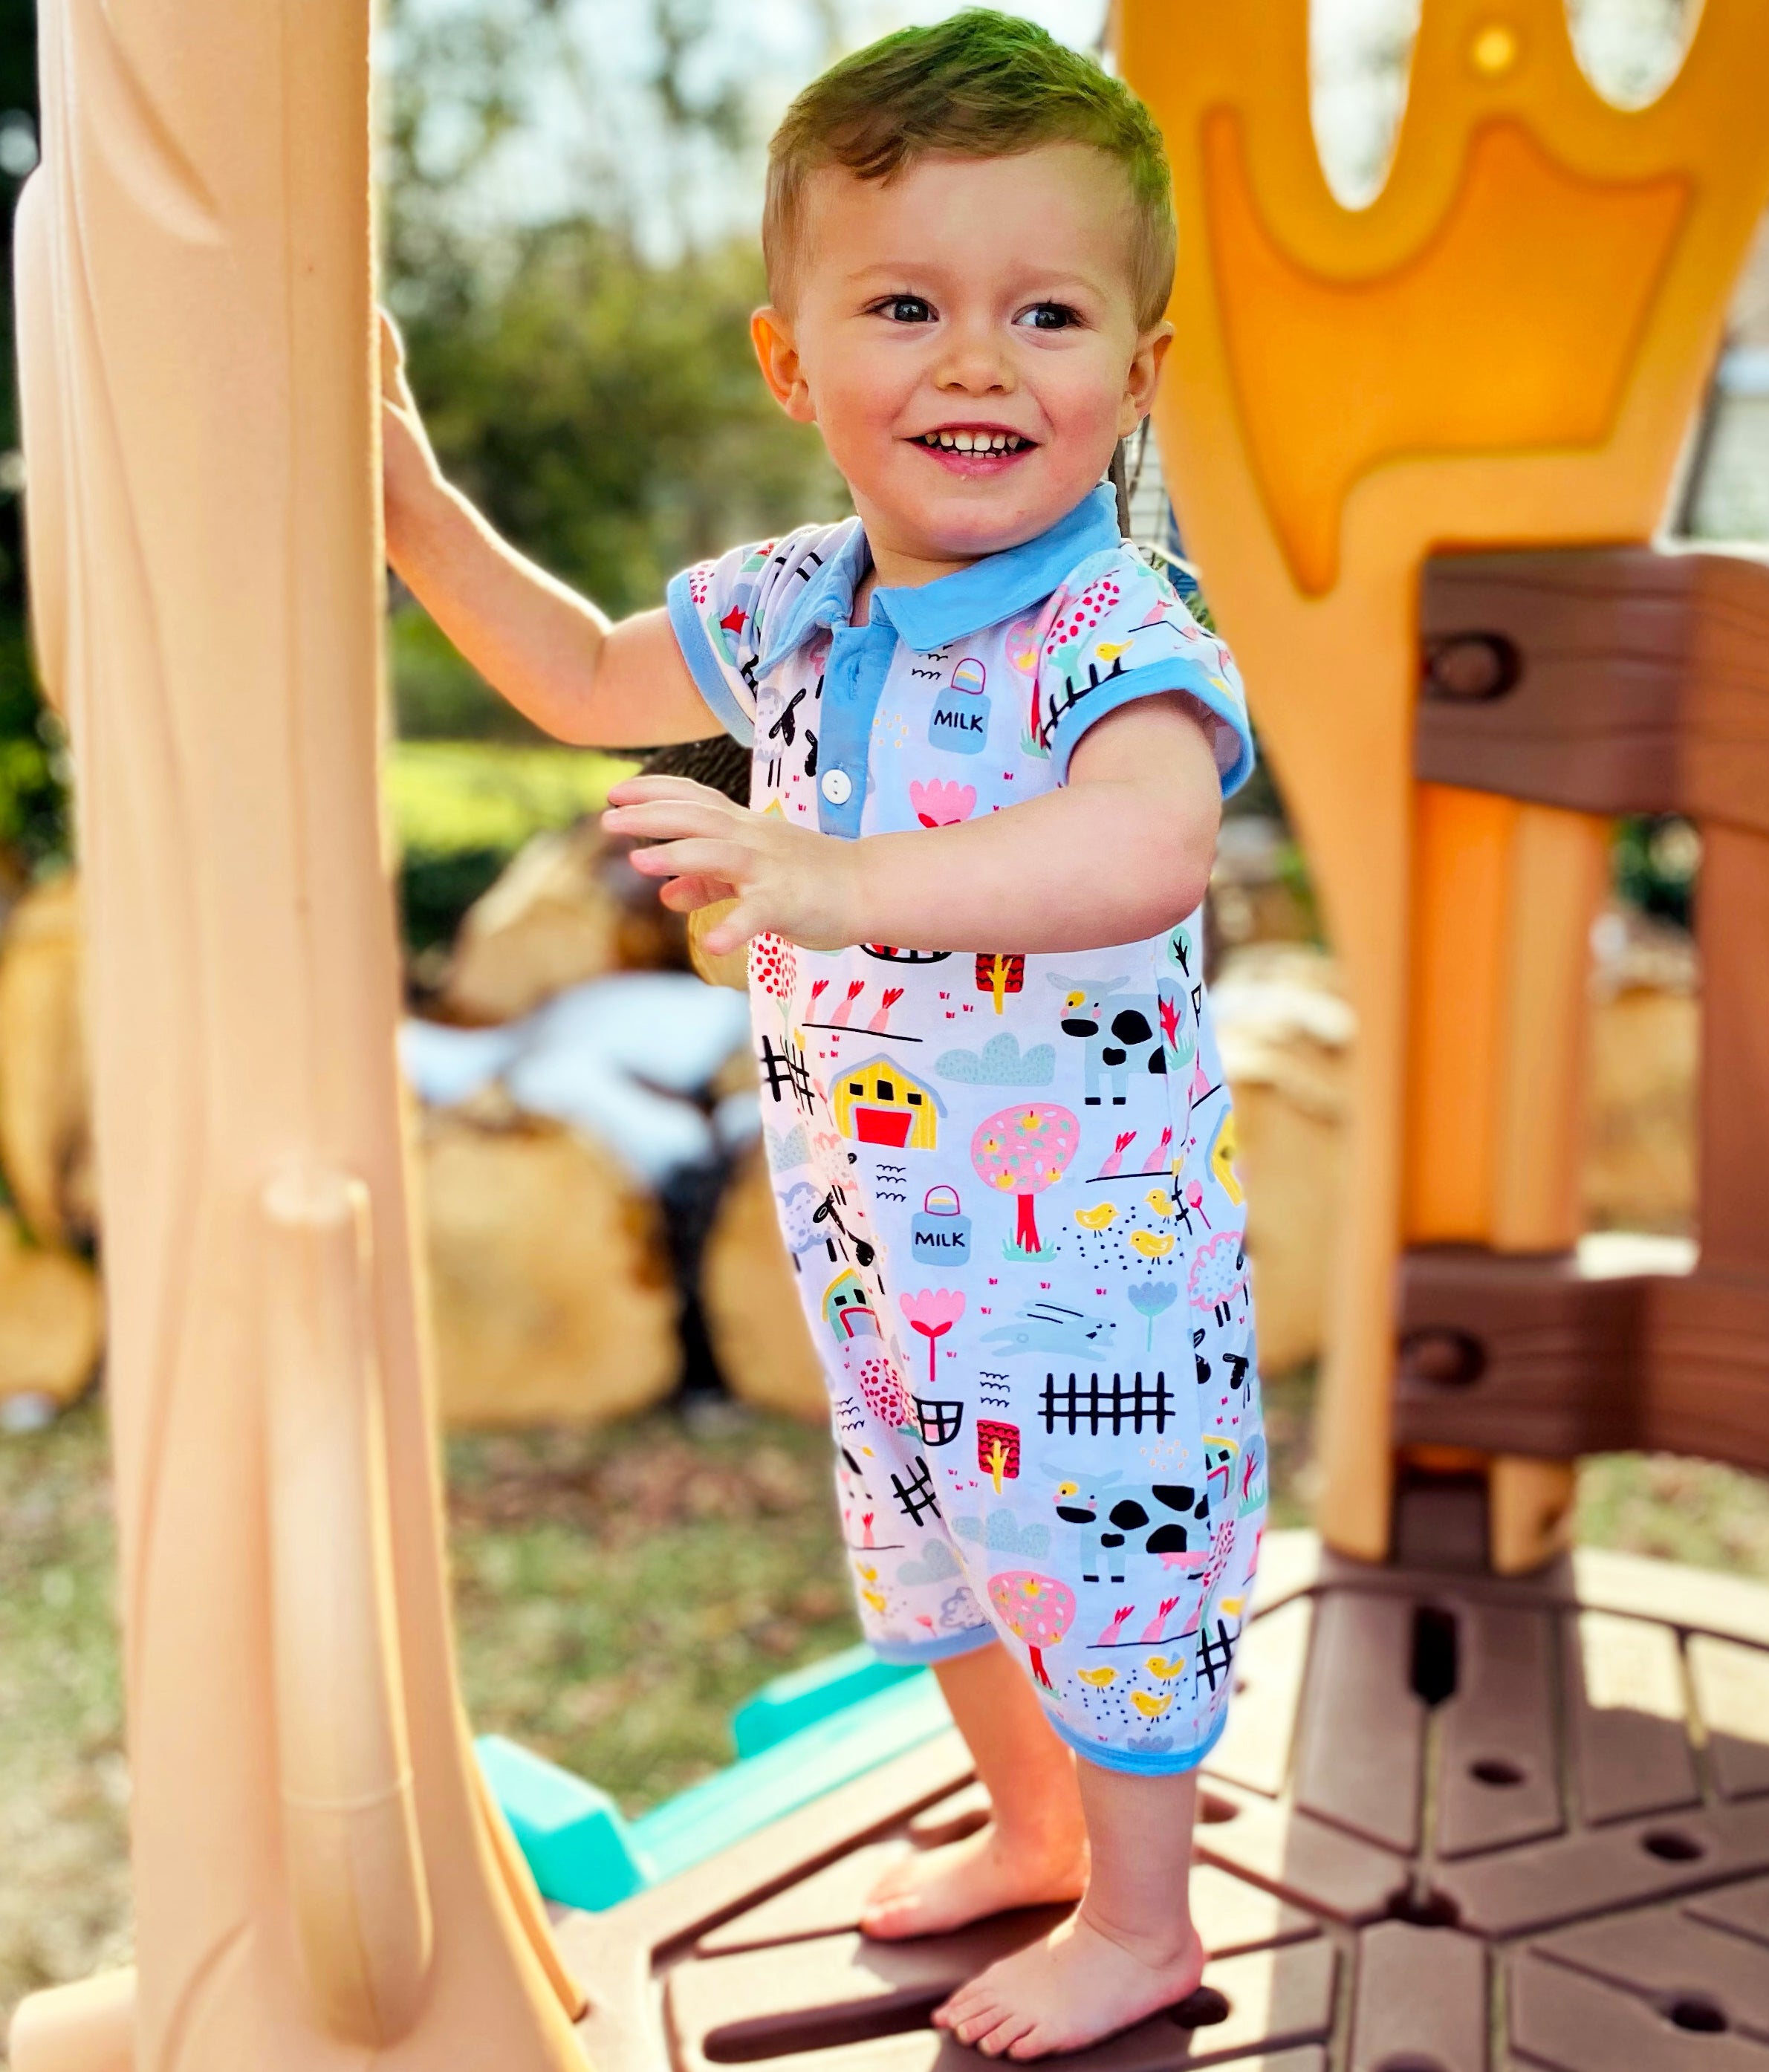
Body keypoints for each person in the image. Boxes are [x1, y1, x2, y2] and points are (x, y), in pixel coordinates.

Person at [379, 10, 1266, 2056]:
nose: (976, 360)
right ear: (794, 362)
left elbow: (1140, 849)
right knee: (936, 1564)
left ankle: (1144, 1916)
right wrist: (414, 501)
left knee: (1108, 1582)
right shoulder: (795, 602)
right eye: (904, 305)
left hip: (1091, 1271)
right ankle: (1037, 1832)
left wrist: (835, 882)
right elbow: (587, 670)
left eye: (1046, 312)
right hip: (885, 1244)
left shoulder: (1116, 630)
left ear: (1132, 378)